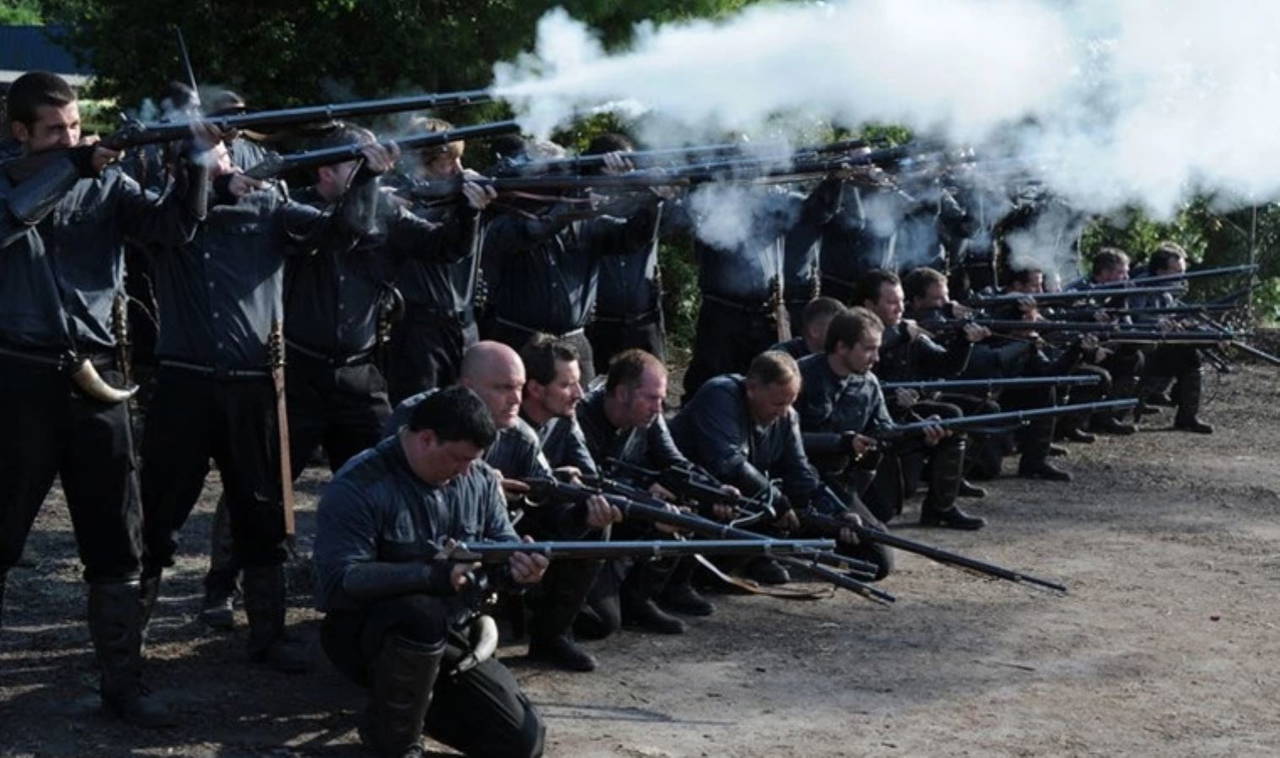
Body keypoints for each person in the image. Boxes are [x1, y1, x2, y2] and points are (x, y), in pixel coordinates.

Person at [139, 131, 394, 673]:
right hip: (183, 384)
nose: (225, 163)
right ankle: (125, 643)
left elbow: (342, 231)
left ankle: (268, 635)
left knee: (264, 513)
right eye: (209, 157)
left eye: (226, 154)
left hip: (254, 384)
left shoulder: (273, 206)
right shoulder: (165, 212)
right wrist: (203, 177)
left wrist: (367, 177)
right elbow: (181, 212)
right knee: (158, 516)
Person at [0, 70, 206, 726]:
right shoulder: (16, 180)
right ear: (21, 133)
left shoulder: (108, 183)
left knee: (118, 541)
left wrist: (196, 157)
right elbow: (12, 218)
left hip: (96, 378)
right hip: (17, 379)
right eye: (55, 130)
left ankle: (123, 682)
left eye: (76, 127)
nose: (71, 137)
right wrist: (74, 166)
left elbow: (175, 229)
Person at [314, 386, 548, 758]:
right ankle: (394, 741)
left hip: (453, 631)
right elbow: (343, 580)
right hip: (369, 634)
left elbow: (502, 542)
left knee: (521, 741)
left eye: (474, 460)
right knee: (418, 612)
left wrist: (520, 566)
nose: (466, 472)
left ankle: (423, 708)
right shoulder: (359, 485)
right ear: (425, 439)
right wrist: (432, 575)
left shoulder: (479, 477)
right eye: (458, 459)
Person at [670, 351, 894, 584]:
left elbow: (800, 473)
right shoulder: (720, 394)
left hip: (752, 499)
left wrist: (838, 513)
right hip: (701, 495)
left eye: (791, 402)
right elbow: (727, 461)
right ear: (752, 388)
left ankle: (753, 557)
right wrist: (778, 502)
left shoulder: (787, 417)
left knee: (877, 558)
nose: (784, 411)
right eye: (778, 402)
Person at [481, 142, 661, 387]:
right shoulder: (503, 221)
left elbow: (632, 238)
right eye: (554, 173)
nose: (564, 180)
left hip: (574, 343)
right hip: (519, 342)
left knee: (576, 415)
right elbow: (534, 230)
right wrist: (577, 200)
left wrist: (653, 196)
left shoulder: (585, 221)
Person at [574, 349, 721, 638]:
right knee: (602, 622)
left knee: (685, 501)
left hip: (629, 507)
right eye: (651, 397)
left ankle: (643, 597)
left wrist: (716, 490)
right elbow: (594, 482)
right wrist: (648, 498)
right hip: (593, 520)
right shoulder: (581, 418)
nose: (660, 406)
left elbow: (676, 464)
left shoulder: (651, 418)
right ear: (621, 393)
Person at [795, 308, 983, 529]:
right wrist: (842, 442)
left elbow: (885, 430)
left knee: (879, 528)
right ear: (841, 347)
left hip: (844, 477)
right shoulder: (800, 376)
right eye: (869, 349)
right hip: (803, 476)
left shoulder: (869, 382)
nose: (876, 358)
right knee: (870, 540)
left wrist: (920, 431)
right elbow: (784, 438)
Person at [515, 334, 618, 672]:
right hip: (507, 521)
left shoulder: (565, 418)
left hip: (545, 514)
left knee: (596, 524)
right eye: (567, 384)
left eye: (579, 382)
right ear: (535, 389)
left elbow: (589, 477)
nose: (580, 393)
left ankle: (552, 635)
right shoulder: (506, 422)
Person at [385, 116, 489, 402]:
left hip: (466, 326)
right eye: (447, 162)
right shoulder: (398, 201)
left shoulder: (466, 196)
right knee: (421, 413)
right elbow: (447, 245)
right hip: (419, 332)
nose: (458, 169)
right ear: (422, 163)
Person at [582, 133, 672, 373]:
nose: (625, 172)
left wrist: (657, 190)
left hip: (644, 320)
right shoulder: (584, 201)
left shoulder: (647, 198)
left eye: (629, 167)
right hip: (599, 323)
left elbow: (680, 217)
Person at [1132, 241, 1213, 433]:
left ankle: (1187, 417)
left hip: (1161, 343)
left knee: (1192, 356)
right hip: (1141, 344)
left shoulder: (1167, 289)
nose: (1181, 278)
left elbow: (1172, 312)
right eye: (1176, 272)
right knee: (1188, 356)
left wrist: (1184, 323)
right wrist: (1158, 322)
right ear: (1160, 271)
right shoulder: (1141, 286)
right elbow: (1134, 316)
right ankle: (1156, 401)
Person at [771, 296, 846, 360]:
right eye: (836, 328)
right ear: (815, 331)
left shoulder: (838, 358)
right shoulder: (782, 357)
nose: (842, 334)